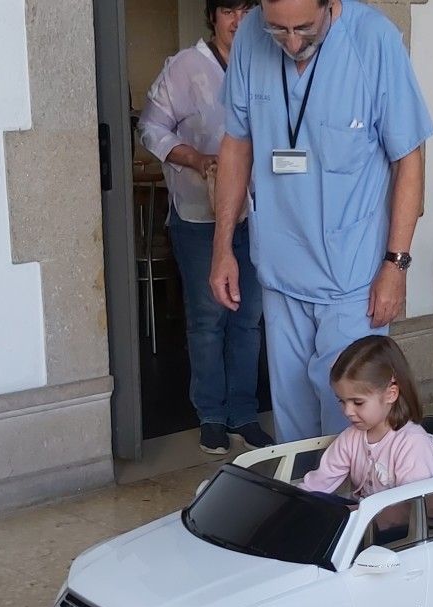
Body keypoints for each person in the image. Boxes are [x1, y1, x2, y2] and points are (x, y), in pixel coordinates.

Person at [209, 0, 433, 443]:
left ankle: (352, 510)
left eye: (305, 30)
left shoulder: (374, 42)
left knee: (353, 425)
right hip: (280, 271)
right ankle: (307, 506)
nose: (292, 43)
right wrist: (222, 249)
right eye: (279, 31)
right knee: (294, 428)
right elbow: (236, 145)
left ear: (331, 4)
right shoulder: (251, 37)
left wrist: (396, 265)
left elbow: (409, 160)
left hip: (352, 280)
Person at [139, 0, 274, 456]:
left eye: (247, 11)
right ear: (213, 17)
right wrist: (196, 159)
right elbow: (151, 128)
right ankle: (211, 416)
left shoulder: (266, 62)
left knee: (249, 318)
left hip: (257, 216)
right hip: (199, 216)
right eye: (228, 11)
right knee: (207, 319)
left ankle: (244, 412)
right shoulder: (185, 67)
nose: (238, 21)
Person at [301, 336, 433, 501]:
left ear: (391, 394)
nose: (347, 411)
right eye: (342, 401)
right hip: (368, 520)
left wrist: (354, 513)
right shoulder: (350, 438)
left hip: (409, 524)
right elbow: (317, 485)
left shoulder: (413, 443)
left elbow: (412, 509)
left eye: (358, 402)